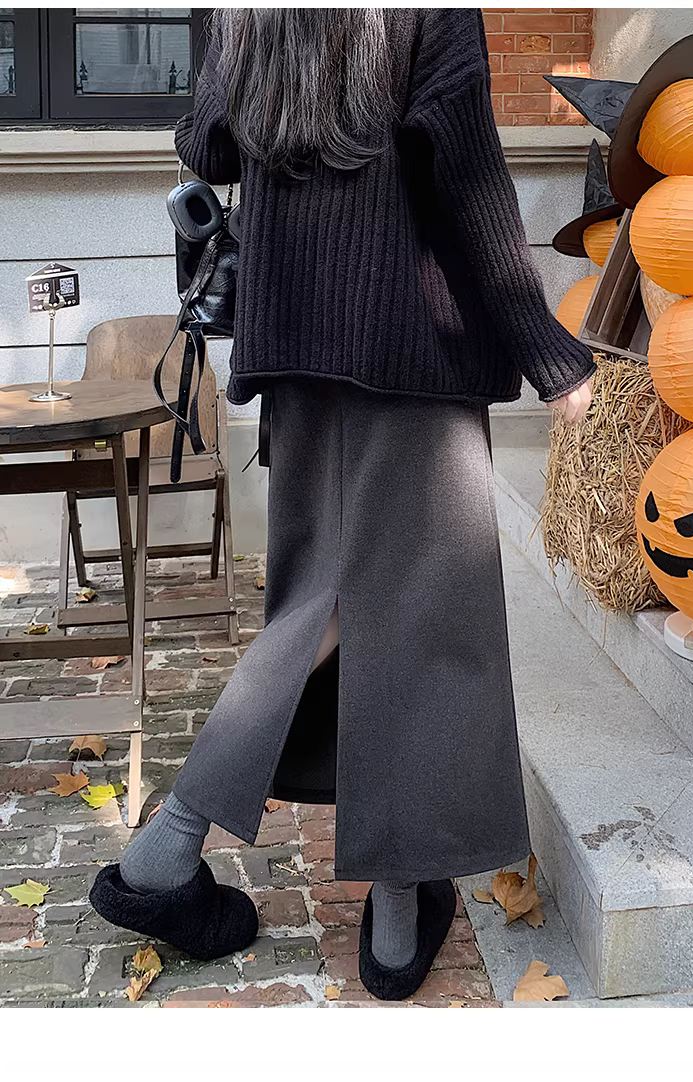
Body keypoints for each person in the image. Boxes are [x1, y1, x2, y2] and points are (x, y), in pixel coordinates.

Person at [91, 8, 594, 1001]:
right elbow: (469, 185)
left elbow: (207, 143)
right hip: (412, 352)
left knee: (321, 600)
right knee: (417, 617)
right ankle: (385, 913)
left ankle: (173, 855)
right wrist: (552, 356)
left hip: (293, 344)